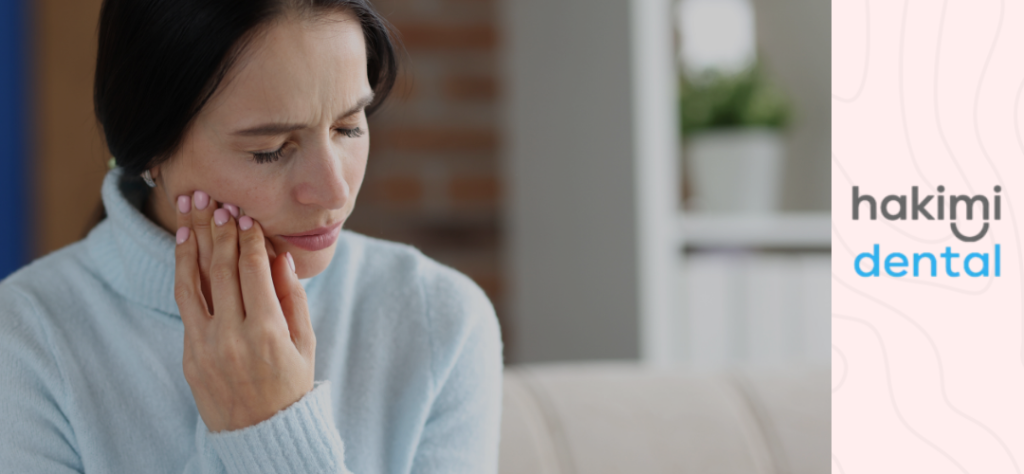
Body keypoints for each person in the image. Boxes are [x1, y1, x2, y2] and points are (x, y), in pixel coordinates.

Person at [0, 1, 503, 473]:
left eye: (349, 127)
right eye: (270, 150)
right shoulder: (26, 342)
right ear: (150, 149)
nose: (333, 189)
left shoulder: (439, 318)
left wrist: (273, 432)